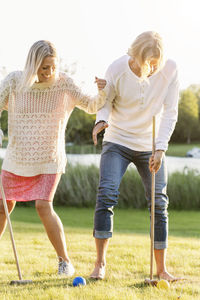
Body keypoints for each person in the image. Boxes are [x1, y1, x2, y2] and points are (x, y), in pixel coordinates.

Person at [0, 40, 107, 276]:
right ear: (32, 65)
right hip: (17, 156)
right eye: (43, 68)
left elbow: (90, 105)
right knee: (2, 206)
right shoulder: (15, 82)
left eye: (52, 67)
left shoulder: (64, 84)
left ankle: (64, 262)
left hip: (49, 158)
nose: (49, 73)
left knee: (43, 205)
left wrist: (103, 91)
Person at [90, 31, 180, 281]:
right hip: (117, 139)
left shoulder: (170, 70)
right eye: (147, 62)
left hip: (150, 143)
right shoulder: (117, 68)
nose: (151, 69)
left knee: (159, 203)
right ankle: (100, 265)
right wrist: (101, 121)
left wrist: (160, 148)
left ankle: (162, 270)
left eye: (155, 63)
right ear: (135, 55)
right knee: (106, 193)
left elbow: (170, 112)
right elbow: (105, 101)